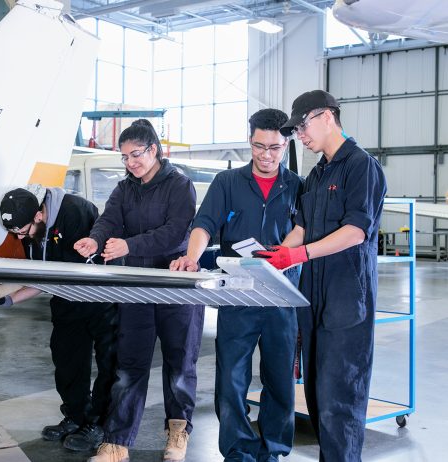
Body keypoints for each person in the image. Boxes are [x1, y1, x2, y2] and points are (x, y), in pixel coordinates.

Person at [254, 90, 387, 461]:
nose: (300, 136)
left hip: (347, 295)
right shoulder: (316, 174)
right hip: (312, 295)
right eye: (295, 131)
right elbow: (302, 227)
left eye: (302, 127)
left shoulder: (361, 166)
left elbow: (356, 232)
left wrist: (298, 254)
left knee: (338, 397)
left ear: (327, 116)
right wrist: (275, 257)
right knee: (315, 393)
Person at [170, 108, 303, 462]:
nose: (266, 155)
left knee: (280, 381)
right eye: (259, 146)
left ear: (286, 145)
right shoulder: (227, 183)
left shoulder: (298, 187)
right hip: (238, 296)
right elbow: (204, 224)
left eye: (274, 148)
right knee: (231, 379)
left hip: (281, 297)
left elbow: (305, 232)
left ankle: (273, 450)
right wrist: (192, 257)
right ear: (249, 141)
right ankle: (238, 451)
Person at [74, 119, 204, 462]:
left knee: (180, 363)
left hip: (175, 286)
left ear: (154, 150)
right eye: (125, 157)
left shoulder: (180, 185)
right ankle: (117, 442)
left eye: (136, 154)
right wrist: (95, 239)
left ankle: (178, 432)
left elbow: (176, 233)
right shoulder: (125, 189)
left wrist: (129, 245)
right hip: (137, 288)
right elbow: (108, 220)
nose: (131, 162)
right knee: (129, 365)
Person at [0, 185, 117, 453]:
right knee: (66, 359)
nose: (20, 238)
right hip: (66, 299)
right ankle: (76, 415)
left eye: (23, 232)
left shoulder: (75, 212)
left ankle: (100, 424)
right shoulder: (31, 228)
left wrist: (17, 294)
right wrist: (8, 299)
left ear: (39, 215)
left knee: (109, 363)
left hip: (100, 297)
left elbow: (72, 272)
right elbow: (45, 276)